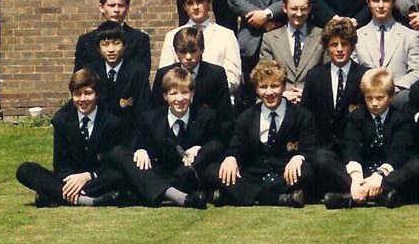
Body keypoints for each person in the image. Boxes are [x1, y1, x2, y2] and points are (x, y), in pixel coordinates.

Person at [206, 60, 319, 207]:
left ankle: (237, 195)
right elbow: (236, 147)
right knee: (213, 171)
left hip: (285, 174)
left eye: (275, 86)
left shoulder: (302, 115)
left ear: (284, 87)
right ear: (256, 89)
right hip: (253, 175)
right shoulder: (246, 117)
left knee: (307, 172)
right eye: (263, 87)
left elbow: (310, 148)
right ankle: (278, 199)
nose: (269, 92)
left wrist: (299, 157)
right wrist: (231, 158)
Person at [321, 67, 419, 209]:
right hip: (361, 172)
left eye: (380, 98)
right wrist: (356, 179)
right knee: (322, 157)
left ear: (391, 97)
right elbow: (352, 149)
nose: (374, 103)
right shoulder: (355, 117)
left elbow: (398, 154)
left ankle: (351, 198)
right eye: (369, 98)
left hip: (389, 174)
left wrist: (379, 176)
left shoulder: (401, 119)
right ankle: (373, 194)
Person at [115, 66, 221, 208]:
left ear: (192, 94)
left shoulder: (206, 116)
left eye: (185, 92)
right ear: (165, 96)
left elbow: (218, 143)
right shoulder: (150, 118)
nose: (180, 99)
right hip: (157, 173)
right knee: (120, 154)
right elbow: (137, 142)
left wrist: (201, 149)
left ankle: (152, 193)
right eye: (173, 93)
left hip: (187, 174)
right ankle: (176, 195)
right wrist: (140, 150)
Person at [16, 69, 126, 207]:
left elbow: (113, 163)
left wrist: (87, 176)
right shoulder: (61, 121)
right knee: (25, 169)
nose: (83, 99)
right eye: (77, 94)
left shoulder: (113, 123)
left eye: (88, 93)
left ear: (97, 94)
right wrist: (73, 181)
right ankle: (86, 200)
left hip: (97, 178)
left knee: (120, 176)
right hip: (69, 179)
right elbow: (60, 164)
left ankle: (53, 195)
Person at [159, 0, 242, 100]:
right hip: (181, 101)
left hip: (216, 100)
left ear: (209, 2)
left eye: (200, 2)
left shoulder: (226, 35)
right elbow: (166, 74)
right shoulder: (171, 36)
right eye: (190, 3)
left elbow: (233, 75)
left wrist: (208, 92)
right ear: (184, 6)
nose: (195, 7)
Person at [354, 0, 419, 106]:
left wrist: (391, 89)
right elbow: (353, 72)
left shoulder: (410, 36)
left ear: (393, 1)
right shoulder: (357, 37)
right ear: (368, 1)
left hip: (397, 100)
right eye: (376, 0)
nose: (381, 6)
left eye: (385, 0)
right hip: (365, 100)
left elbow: (417, 72)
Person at [300, 18, 366, 150]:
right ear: (326, 48)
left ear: (352, 47)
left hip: (356, 146)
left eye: (344, 44)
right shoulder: (314, 76)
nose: (339, 49)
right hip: (321, 148)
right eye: (334, 45)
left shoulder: (364, 75)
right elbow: (305, 114)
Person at [154, 26, 234, 130]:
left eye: (193, 51)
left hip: (208, 132)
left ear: (202, 50)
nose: (188, 57)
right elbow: (156, 112)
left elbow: (224, 115)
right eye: (183, 51)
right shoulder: (164, 74)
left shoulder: (216, 74)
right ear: (176, 52)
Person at [73, 0, 152, 79]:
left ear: (127, 7)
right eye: (112, 5)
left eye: (121, 5)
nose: (116, 10)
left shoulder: (139, 39)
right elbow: (79, 78)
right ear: (101, 7)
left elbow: (142, 75)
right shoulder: (86, 40)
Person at [90, 21, 150, 122]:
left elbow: (144, 109)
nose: (111, 49)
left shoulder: (137, 71)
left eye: (116, 43)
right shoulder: (91, 71)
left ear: (124, 45)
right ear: (98, 48)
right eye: (105, 44)